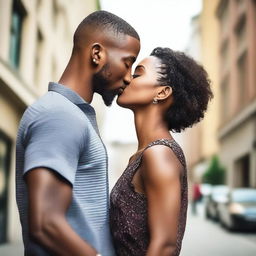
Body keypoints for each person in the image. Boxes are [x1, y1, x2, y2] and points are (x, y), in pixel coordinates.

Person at [16, 11, 140, 256]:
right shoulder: (59, 115)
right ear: (97, 54)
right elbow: (46, 225)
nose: (129, 78)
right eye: (127, 63)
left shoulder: (71, 115)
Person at [110, 47, 213, 256]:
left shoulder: (159, 154)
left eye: (138, 73)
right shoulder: (142, 155)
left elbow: (165, 247)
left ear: (162, 92)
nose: (127, 77)